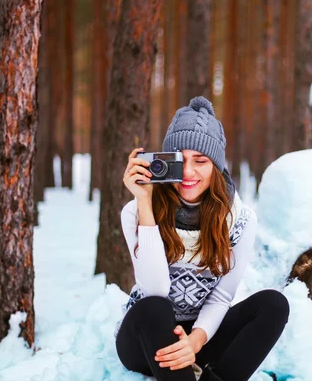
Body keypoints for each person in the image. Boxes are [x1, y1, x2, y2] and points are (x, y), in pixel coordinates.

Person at [115, 96, 290, 381]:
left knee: (273, 305)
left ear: (216, 167)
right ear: (164, 160)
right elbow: (155, 290)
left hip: (200, 338)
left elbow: (222, 296)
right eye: (179, 159)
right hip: (147, 339)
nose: (187, 171)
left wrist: (195, 341)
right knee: (155, 308)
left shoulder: (239, 221)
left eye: (200, 161)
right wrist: (146, 205)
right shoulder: (135, 212)